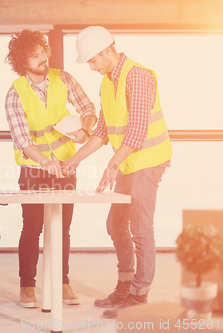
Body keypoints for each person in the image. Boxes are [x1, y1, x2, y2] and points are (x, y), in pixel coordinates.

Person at [64, 26, 172, 318]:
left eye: (92, 60)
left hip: (149, 161)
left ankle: (139, 296)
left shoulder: (137, 76)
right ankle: (125, 285)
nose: (91, 66)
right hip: (128, 162)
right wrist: (75, 160)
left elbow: (137, 132)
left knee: (140, 226)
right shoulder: (106, 82)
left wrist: (112, 166)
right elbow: (101, 131)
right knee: (115, 224)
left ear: (107, 50)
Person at [5, 29, 96, 308]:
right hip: (34, 169)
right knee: (32, 227)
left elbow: (88, 107)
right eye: (35, 55)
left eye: (43, 51)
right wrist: (46, 162)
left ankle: (62, 283)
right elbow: (22, 140)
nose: (43, 58)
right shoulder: (15, 93)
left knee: (62, 228)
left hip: (66, 166)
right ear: (23, 62)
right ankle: (27, 287)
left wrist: (85, 129)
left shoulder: (64, 78)